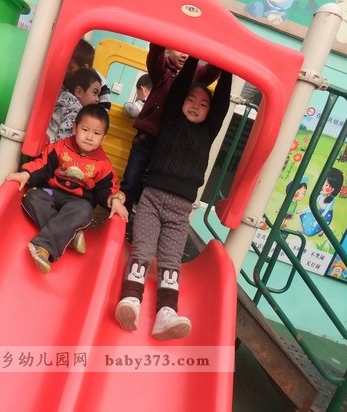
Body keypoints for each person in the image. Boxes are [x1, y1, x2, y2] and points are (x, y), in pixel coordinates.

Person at [114, 55, 232, 340]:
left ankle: (166, 314)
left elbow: (223, 103)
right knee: (142, 250)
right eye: (191, 100)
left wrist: (228, 69)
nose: (196, 106)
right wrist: (194, 56)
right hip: (152, 200)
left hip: (180, 210)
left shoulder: (208, 131)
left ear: (210, 113)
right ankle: (130, 300)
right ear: (180, 102)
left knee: (170, 261)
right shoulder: (171, 119)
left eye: (203, 104)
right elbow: (179, 87)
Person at [6, 104, 129, 273]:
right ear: (75, 128)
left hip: (77, 202)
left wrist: (115, 201)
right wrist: (26, 174)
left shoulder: (103, 165)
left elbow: (106, 189)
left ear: (103, 137)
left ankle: (43, 247)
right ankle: (70, 235)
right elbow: (43, 165)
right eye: (85, 130)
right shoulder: (60, 148)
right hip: (51, 193)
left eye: (96, 133)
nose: (89, 137)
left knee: (84, 211)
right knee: (32, 197)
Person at [120, 44, 221, 216]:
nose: (185, 55)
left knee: (151, 183)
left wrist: (205, 47)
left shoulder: (196, 74)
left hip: (169, 143)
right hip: (148, 136)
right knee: (132, 178)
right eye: (180, 48)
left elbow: (213, 70)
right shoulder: (162, 70)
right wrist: (161, 41)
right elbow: (155, 54)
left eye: (189, 50)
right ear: (169, 48)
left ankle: (140, 217)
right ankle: (122, 214)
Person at [47, 67, 101, 144]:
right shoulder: (75, 110)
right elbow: (64, 139)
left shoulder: (63, 98)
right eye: (95, 93)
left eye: (98, 95)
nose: (97, 99)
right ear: (79, 92)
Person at [67, 38, 111, 111]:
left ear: (84, 68)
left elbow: (103, 112)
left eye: (70, 67)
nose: (66, 71)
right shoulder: (69, 77)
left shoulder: (102, 86)